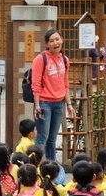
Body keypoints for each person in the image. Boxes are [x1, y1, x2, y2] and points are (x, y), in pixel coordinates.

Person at [31, 29, 76, 161]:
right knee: (42, 138)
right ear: (47, 45)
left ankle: (51, 167)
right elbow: (36, 84)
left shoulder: (65, 60)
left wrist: (69, 104)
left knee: (53, 138)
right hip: (44, 103)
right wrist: (37, 105)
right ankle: (36, 166)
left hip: (59, 103)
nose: (55, 43)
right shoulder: (40, 59)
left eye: (57, 39)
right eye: (51, 41)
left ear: (62, 40)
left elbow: (65, 83)